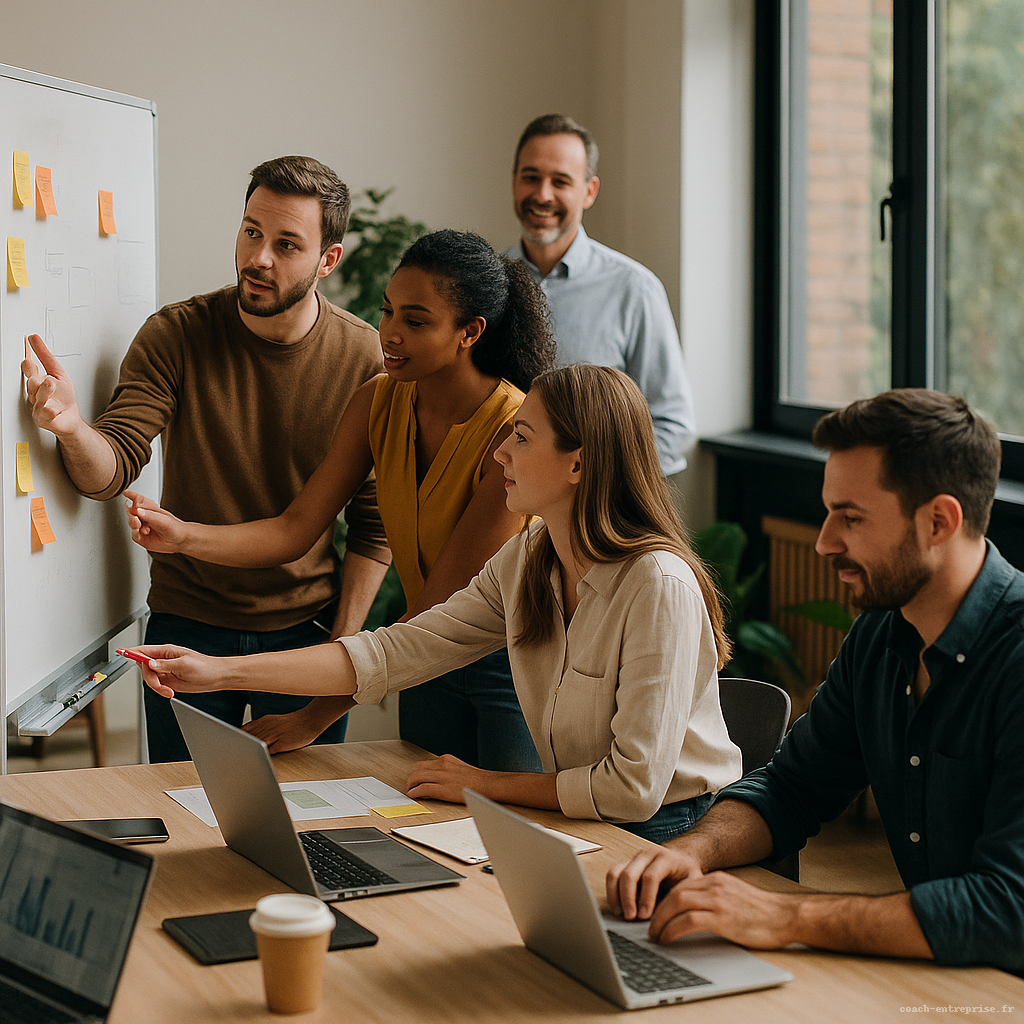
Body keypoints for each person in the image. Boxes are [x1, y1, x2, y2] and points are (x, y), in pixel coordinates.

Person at [129, 364, 743, 842]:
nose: (501, 453)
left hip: (667, 830)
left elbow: (632, 790)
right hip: (587, 817)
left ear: (578, 463)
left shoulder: (656, 585)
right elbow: (397, 652)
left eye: (521, 438)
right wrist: (217, 671)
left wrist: (485, 784)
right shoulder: (531, 555)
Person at [606, 389, 1024, 974]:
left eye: (850, 518)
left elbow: (1009, 910)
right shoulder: (882, 634)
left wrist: (785, 917)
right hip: (941, 973)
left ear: (939, 521)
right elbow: (792, 787)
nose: (825, 541)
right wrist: (689, 855)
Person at [125, 229, 554, 771]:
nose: (389, 334)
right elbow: (294, 528)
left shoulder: (511, 431)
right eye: (388, 311)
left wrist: (313, 716)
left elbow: (437, 608)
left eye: (415, 321)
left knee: (511, 845)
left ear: (470, 332)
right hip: (425, 663)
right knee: (430, 836)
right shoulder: (377, 401)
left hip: (510, 666)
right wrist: (181, 535)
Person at [21, 155, 390, 762]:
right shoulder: (177, 334)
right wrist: (69, 428)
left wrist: (339, 659)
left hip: (307, 633)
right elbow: (111, 467)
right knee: (179, 820)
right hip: (187, 622)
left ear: (329, 260)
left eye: (286, 244)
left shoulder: (366, 362)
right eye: (251, 232)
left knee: (309, 831)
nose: (259, 258)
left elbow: (375, 529)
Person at [504, 114, 696, 477]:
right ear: (514, 181)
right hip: (498, 507)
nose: (542, 194)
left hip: (593, 519)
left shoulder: (634, 289)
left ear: (589, 191)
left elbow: (673, 425)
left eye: (560, 181)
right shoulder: (490, 285)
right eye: (531, 177)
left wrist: (595, 481)